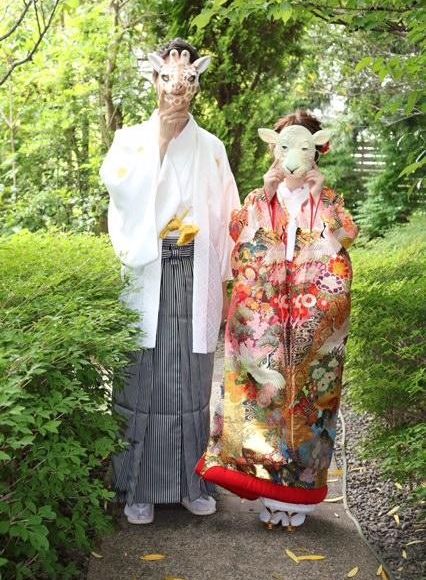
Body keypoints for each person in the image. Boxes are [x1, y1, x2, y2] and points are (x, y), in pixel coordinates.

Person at [100, 38, 240, 524]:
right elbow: (119, 189)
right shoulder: (130, 140)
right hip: (149, 269)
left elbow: (229, 218)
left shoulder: (212, 147)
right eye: (168, 78)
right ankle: (136, 489)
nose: (177, 89)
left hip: (194, 270)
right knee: (144, 380)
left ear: (196, 84)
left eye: (187, 80)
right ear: (155, 80)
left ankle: (190, 482)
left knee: (190, 384)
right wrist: (159, 138)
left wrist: (234, 276)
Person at [197, 110, 359, 529]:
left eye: (304, 147)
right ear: (275, 148)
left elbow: (346, 236)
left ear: (316, 151)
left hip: (313, 314)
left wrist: (320, 198)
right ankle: (269, 493)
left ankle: (299, 499)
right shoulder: (259, 197)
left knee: (311, 400)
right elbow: (239, 234)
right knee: (261, 395)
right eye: (284, 146)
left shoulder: (329, 199)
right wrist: (266, 195)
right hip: (265, 313)